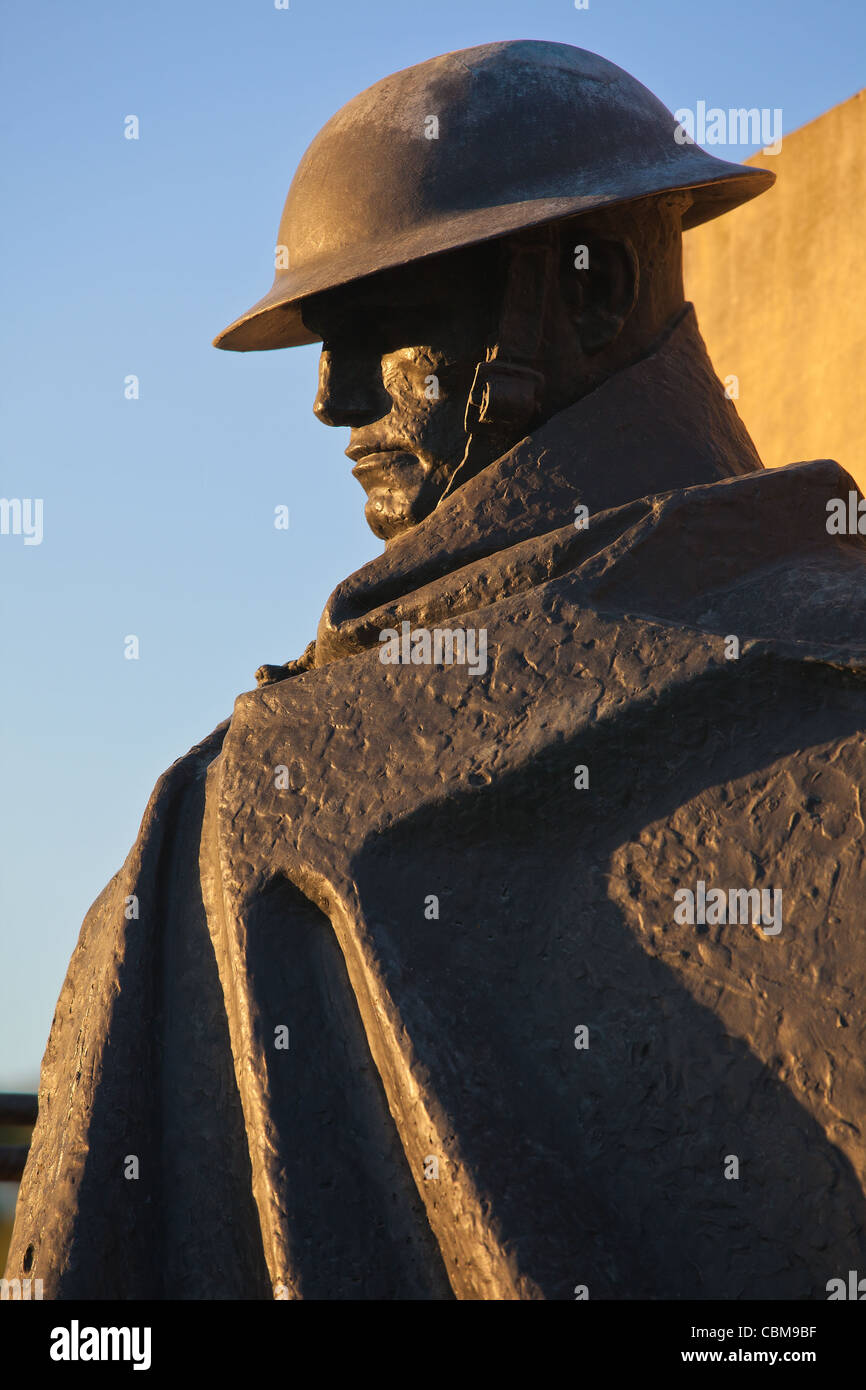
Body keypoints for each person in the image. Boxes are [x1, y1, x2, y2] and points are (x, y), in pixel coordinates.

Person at [8, 40, 866, 1301]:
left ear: (588, 291)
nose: (327, 400)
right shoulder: (226, 805)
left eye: (381, 327)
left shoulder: (237, 812)